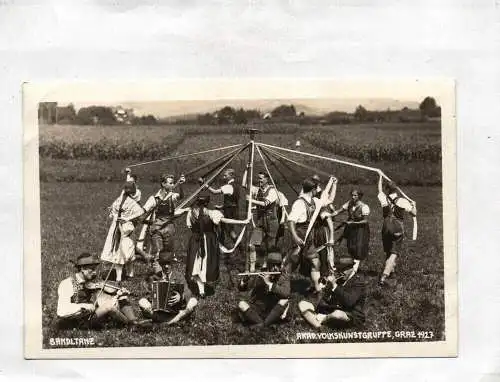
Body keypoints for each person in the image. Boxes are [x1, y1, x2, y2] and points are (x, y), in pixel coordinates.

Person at [56, 253, 151, 329]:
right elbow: (61, 311)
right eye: (92, 270)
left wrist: (117, 295)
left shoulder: (88, 283)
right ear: (82, 269)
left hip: (91, 314)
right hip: (79, 322)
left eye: (95, 269)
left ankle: (133, 320)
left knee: (122, 297)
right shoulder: (67, 284)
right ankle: (132, 325)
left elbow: (100, 297)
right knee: (109, 307)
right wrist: (84, 306)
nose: (95, 272)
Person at [185, 193, 250, 297]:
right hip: (209, 240)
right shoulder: (212, 213)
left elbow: (189, 226)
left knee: (196, 263)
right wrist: (243, 221)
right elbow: (226, 221)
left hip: (195, 240)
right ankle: (202, 288)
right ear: (207, 202)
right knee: (205, 262)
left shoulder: (191, 212)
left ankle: (201, 289)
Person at [287, 178, 335, 292]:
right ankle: (281, 285)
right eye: (317, 188)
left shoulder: (315, 201)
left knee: (315, 262)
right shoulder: (299, 203)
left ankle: (318, 290)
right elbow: (290, 221)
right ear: (313, 189)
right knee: (291, 263)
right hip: (299, 235)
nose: (318, 190)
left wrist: (332, 183)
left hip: (309, 238)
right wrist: (295, 237)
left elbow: (328, 199)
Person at [298, 257, 366, 329]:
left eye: (342, 270)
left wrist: (335, 286)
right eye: (338, 270)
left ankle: (317, 320)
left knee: (337, 314)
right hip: (335, 309)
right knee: (302, 304)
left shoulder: (358, 282)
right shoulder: (340, 279)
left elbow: (349, 302)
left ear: (351, 268)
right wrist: (326, 291)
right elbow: (328, 301)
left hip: (351, 314)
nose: (340, 273)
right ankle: (318, 325)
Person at [377, 174, 417, 285]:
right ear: (396, 189)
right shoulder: (403, 201)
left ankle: (391, 273)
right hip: (397, 227)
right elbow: (414, 213)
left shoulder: (383, 197)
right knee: (394, 253)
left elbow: (379, 189)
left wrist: (380, 177)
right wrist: (414, 205)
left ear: (387, 189)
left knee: (388, 251)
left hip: (385, 226)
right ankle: (384, 276)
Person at [101, 181, 145, 282]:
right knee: (120, 250)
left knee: (125, 249)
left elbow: (140, 211)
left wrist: (127, 218)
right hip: (117, 228)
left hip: (125, 229)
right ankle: (121, 276)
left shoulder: (130, 201)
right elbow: (113, 209)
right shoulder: (120, 199)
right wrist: (113, 212)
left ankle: (128, 274)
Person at [142, 173, 186, 271]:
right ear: (163, 184)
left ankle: (165, 275)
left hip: (169, 227)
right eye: (170, 183)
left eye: (173, 183)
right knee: (158, 251)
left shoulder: (173, 196)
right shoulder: (154, 198)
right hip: (157, 228)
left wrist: (181, 185)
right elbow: (143, 210)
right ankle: (157, 274)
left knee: (167, 251)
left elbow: (181, 196)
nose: (172, 185)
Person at [237, 250, 290, 327]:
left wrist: (269, 283)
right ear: (268, 265)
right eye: (272, 265)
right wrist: (244, 281)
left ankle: (262, 324)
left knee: (284, 301)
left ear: (281, 265)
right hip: (257, 308)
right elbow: (242, 289)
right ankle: (263, 324)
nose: (275, 268)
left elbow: (286, 293)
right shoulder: (260, 273)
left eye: (277, 265)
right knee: (241, 304)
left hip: (272, 309)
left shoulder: (284, 277)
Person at [242, 167, 280, 272]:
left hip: (272, 221)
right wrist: (247, 170)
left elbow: (265, 203)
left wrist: (251, 200)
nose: (259, 180)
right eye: (258, 178)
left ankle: (266, 264)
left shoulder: (273, 191)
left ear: (267, 179)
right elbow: (244, 185)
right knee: (252, 244)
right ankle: (252, 266)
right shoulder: (257, 189)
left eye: (261, 178)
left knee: (270, 246)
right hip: (260, 221)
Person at [331, 189, 371, 273]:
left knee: (358, 247)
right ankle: (352, 264)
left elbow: (365, 221)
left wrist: (353, 223)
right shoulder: (349, 203)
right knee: (350, 246)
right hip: (351, 228)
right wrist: (331, 215)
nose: (353, 197)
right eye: (352, 195)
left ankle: (354, 269)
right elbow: (339, 210)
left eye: (355, 195)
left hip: (361, 229)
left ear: (359, 196)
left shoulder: (364, 207)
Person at [202, 168, 240, 246]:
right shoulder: (236, 185)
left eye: (225, 175)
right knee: (225, 229)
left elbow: (214, 192)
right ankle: (222, 248)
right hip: (232, 210)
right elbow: (232, 200)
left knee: (228, 230)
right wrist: (221, 207)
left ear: (231, 176)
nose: (224, 177)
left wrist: (204, 184)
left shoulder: (229, 186)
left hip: (229, 212)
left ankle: (240, 248)